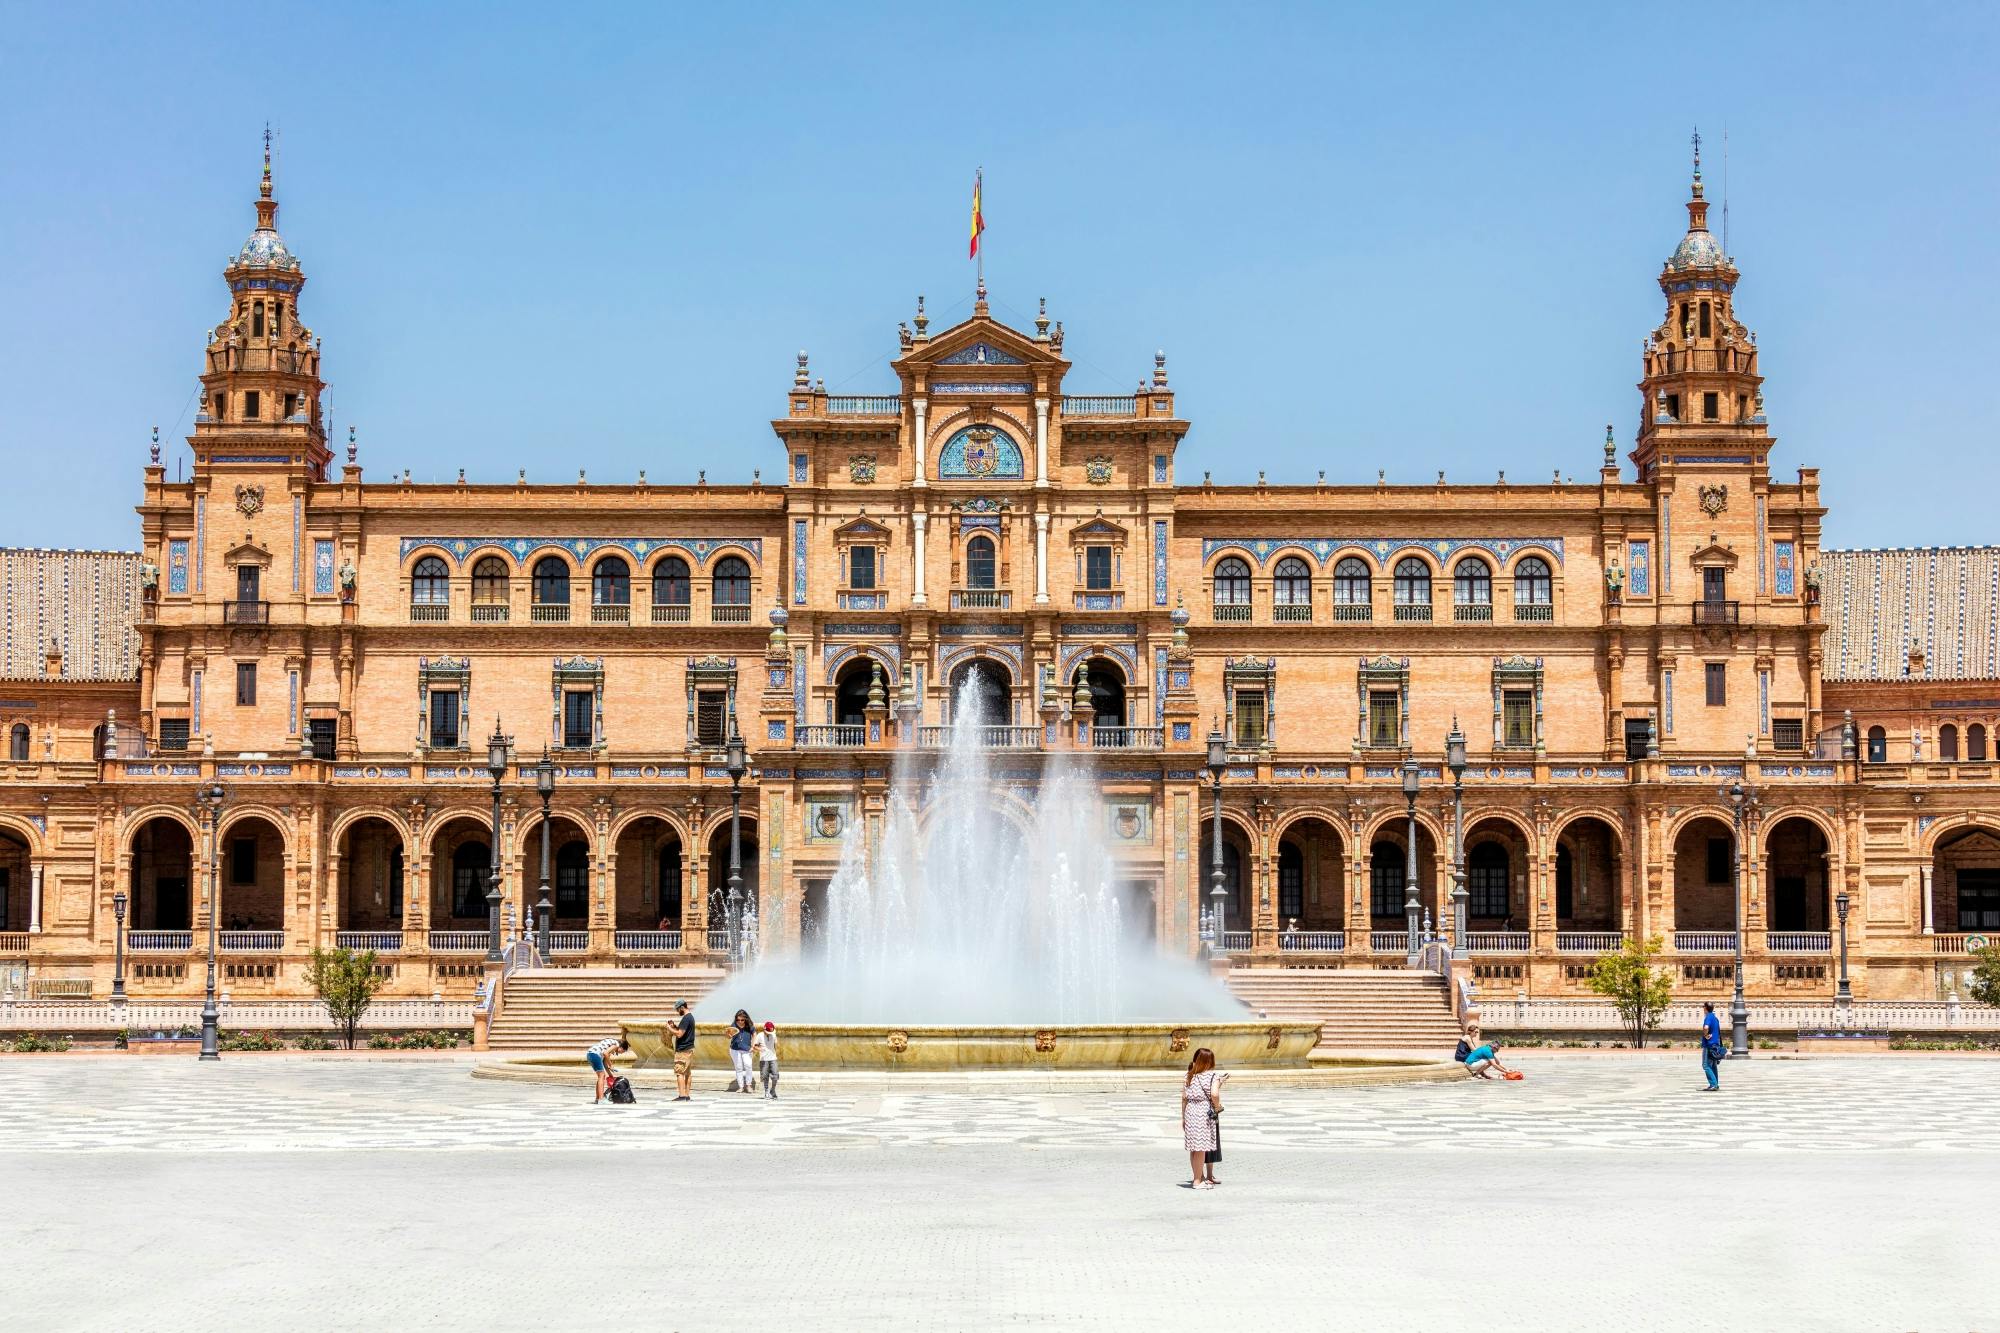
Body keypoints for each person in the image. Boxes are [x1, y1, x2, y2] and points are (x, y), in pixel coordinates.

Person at [1182, 1047, 1226, 1190]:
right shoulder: (1213, 1076)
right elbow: (1214, 1094)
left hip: (1190, 1111)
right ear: (1210, 1061)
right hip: (1203, 1112)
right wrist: (1218, 1106)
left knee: (1194, 1148)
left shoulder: (1189, 1075)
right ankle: (1197, 1181)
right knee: (1201, 1148)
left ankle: (1199, 1176)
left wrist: (1183, 1117)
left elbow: (1184, 1098)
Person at [585, 1034, 629, 1104]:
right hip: (595, 1054)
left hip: (590, 1054)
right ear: (622, 1047)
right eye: (622, 1051)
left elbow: (604, 1063)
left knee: (601, 1076)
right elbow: (605, 1053)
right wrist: (611, 1066)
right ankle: (601, 1099)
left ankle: (598, 1098)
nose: (620, 1053)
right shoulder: (616, 1044)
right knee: (601, 1076)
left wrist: (610, 1075)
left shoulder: (611, 1046)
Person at [670, 1000, 696, 1101]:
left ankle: (682, 1095)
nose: (677, 1011)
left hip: (682, 1050)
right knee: (687, 1073)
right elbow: (683, 1031)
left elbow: (679, 1034)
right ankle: (687, 1095)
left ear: (681, 1007)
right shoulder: (690, 1017)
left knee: (679, 1073)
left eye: (677, 1009)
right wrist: (675, 1027)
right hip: (689, 1049)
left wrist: (669, 1028)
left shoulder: (686, 1018)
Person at [728, 1009, 756, 1094]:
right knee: (738, 1067)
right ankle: (741, 1086)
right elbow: (729, 1036)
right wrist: (728, 1035)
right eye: (738, 1020)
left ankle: (748, 1085)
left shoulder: (749, 1025)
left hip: (747, 1049)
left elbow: (754, 1034)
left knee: (748, 1065)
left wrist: (753, 1046)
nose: (740, 1022)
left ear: (745, 1019)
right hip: (735, 1049)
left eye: (742, 1020)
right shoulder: (733, 1025)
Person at [753, 1020, 779, 1099]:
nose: (769, 1032)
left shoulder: (773, 1035)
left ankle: (773, 1090)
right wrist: (760, 1049)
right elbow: (755, 1046)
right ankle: (766, 1091)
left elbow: (776, 1045)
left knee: (775, 1075)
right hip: (763, 1059)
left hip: (773, 1058)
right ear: (764, 1029)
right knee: (765, 1076)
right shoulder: (760, 1035)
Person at [1701, 1001, 1724, 1091]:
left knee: (1706, 1065)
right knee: (1713, 1065)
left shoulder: (1708, 1017)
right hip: (1715, 1044)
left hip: (1709, 1045)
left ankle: (1713, 1084)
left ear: (1706, 1008)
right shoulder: (1715, 1018)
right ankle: (1716, 1084)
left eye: (1703, 1007)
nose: (1703, 1008)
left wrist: (1705, 1035)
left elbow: (1706, 1027)